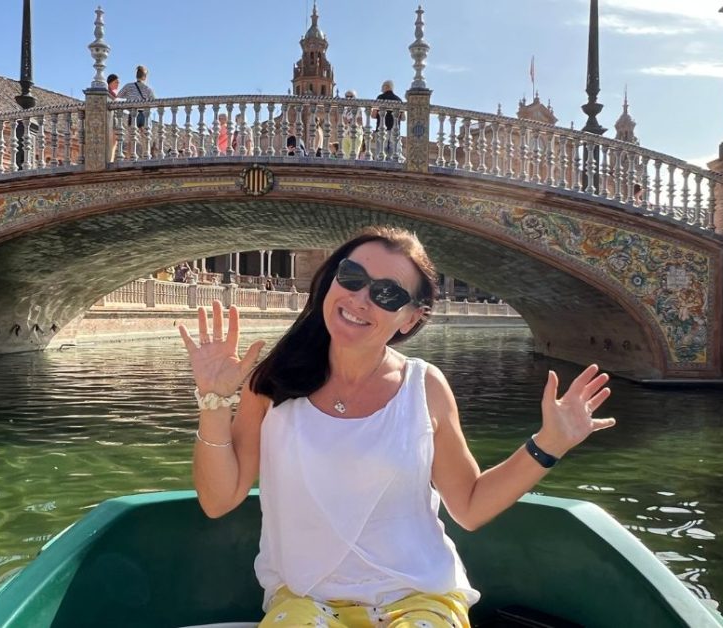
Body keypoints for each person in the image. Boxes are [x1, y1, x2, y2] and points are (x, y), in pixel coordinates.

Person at [178, 226, 615, 627]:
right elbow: (218, 501)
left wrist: (549, 444)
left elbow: (469, 504)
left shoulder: (424, 386)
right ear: (330, 280)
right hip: (305, 598)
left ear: (410, 318)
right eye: (351, 277)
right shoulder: (271, 383)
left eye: (387, 294)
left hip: (419, 596)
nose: (360, 298)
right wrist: (215, 401)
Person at [373, 80, 403, 159]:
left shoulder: (380, 98)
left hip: (382, 129)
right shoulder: (399, 100)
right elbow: (403, 118)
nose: (381, 89)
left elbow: (373, 114)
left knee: (380, 154)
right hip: (395, 130)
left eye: (382, 87)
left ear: (386, 87)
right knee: (394, 156)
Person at [340, 90, 363, 159]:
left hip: (356, 134)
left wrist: (350, 121)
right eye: (346, 96)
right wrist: (348, 121)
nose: (348, 98)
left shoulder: (358, 108)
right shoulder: (345, 110)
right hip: (346, 134)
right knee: (345, 157)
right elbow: (344, 121)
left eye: (351, 96)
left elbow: (360, 122)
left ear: (355, 98)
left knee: (353, 157)